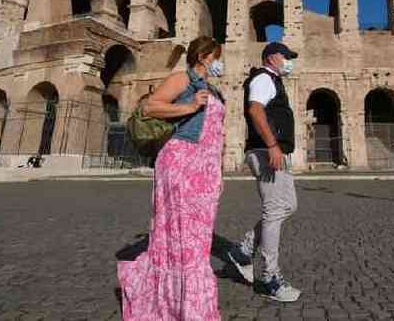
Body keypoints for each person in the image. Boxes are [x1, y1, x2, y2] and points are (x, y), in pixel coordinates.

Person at [117, 36, 226, 320]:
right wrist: (189, 108)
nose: (220, 63)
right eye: (217, 57)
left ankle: (191, 303)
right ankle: (181, 306)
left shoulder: (211, 88)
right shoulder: (182, 79)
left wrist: (217, 170)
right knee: (182, 234)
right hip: (181, 163)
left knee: (199, 238)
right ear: (203, 57)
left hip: (205, 170)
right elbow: (150, 107)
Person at [227, 42, 302, 303]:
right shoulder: (263, 78)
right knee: (274, 209)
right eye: (286, 57)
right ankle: (270, 278)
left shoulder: (272, 80)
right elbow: (255, 110)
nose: (289, 61)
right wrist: (272, 144)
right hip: (265, 151)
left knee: (288, 206)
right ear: (272, 58)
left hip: (273, 151)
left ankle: (243, 250)